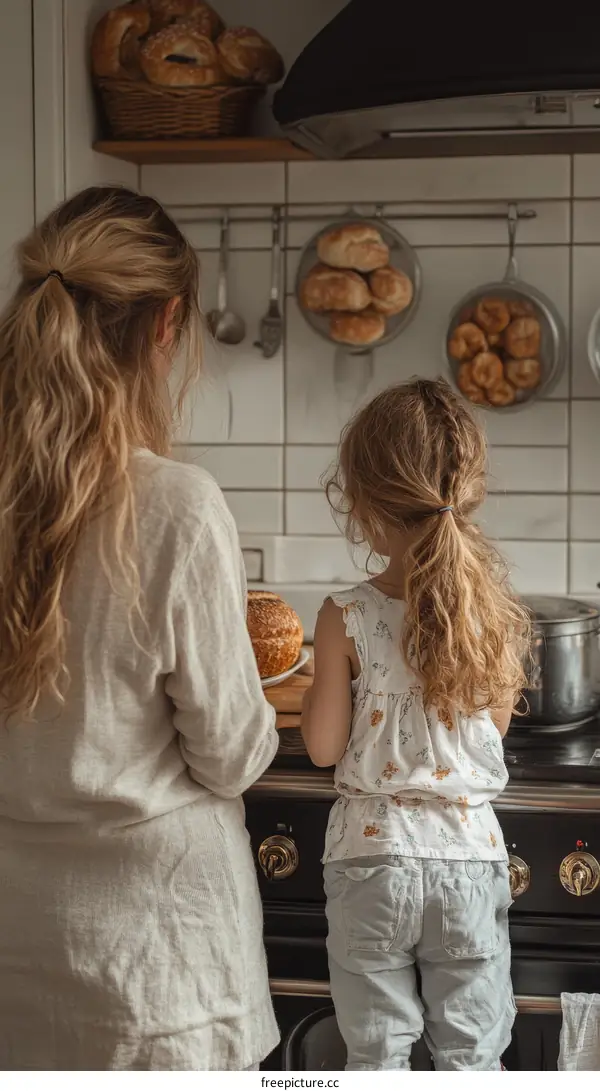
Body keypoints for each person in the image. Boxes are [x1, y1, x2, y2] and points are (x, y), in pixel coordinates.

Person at [0, 186, 279, 1071]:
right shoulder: (175, 506)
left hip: (22, 956)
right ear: (166, 325)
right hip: (161, 976)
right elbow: (231, 755)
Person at [301, 378, 530, 1072]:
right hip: (468, 861)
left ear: (364, 504)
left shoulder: (345, 614)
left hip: (370, 864)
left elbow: (322, 746)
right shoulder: (495, 616)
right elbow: (489, 732)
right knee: (471, 1055)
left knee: (374, 1055)